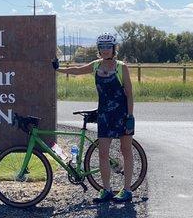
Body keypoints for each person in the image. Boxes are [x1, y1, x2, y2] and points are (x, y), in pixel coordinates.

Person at [53, 33, 135, 203]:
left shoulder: (121, 67)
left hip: (122, 114)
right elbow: (76, 70)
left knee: (125, 150)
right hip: (104, 114)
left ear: (114, 48)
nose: (105, 50)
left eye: (108, 47)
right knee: (103, 153)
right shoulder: (96, 65)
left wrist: (130, 116)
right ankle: (106, 190)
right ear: (99, 49)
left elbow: (129, 93)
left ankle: (127, 190)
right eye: (102, 47)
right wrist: (58, 68)